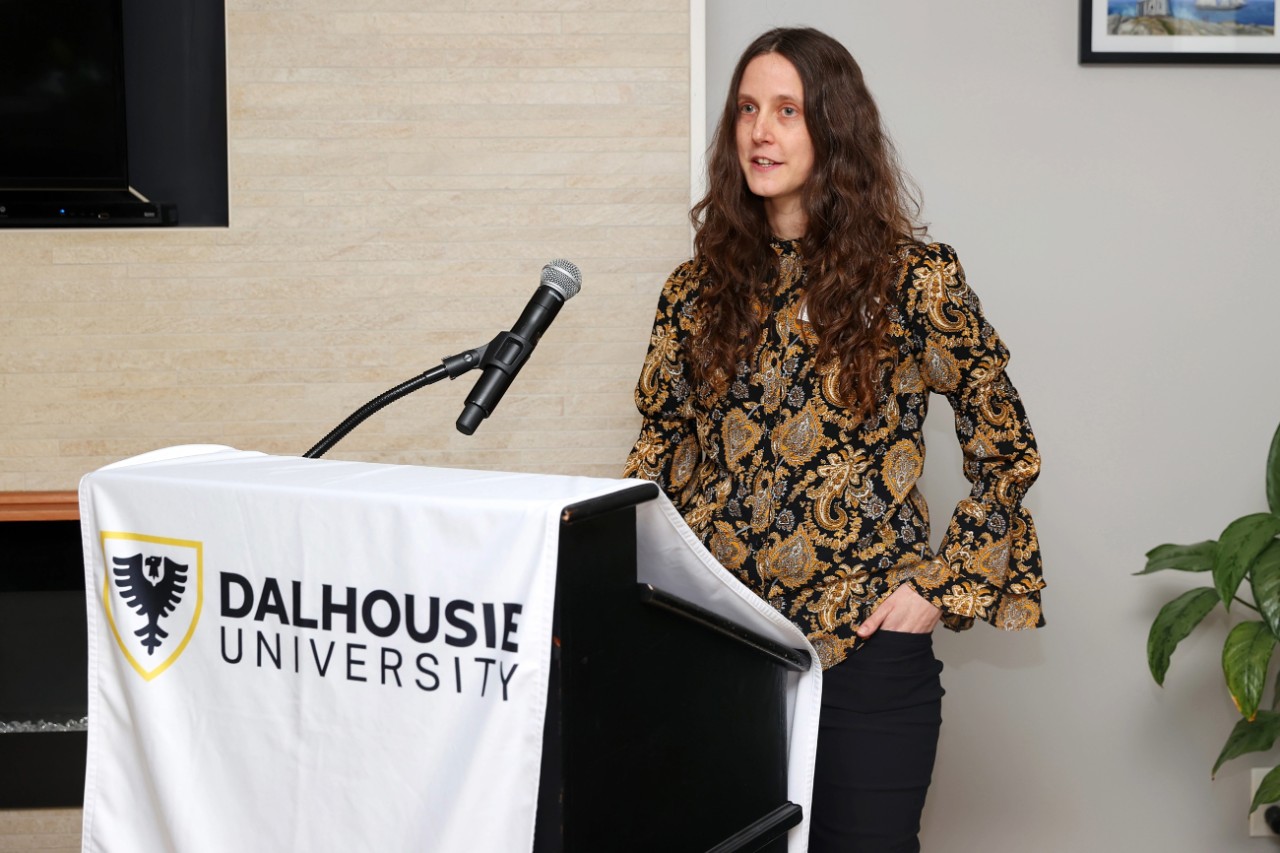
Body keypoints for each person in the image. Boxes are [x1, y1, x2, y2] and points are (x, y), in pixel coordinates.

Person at [622, 26, 1044, 853]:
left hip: (866, 655)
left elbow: (1005, 444)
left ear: (834, 127)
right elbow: (656, 458)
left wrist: (940, 583)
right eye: (747, 109)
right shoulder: (695, 290)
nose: (760, 132)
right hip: (720, 651)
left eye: (786, 110)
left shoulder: (914, 280)